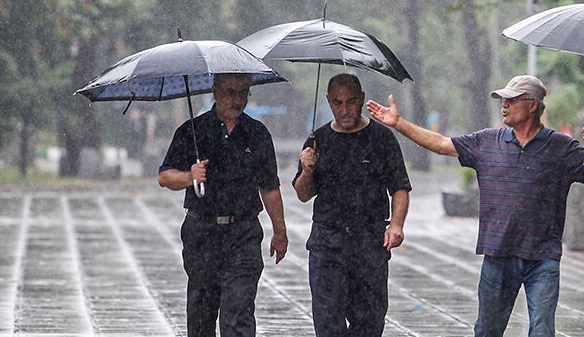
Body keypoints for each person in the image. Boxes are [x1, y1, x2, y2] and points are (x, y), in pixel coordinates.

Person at [366, 74, 584, 337]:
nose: (503, 105)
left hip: (543, 256)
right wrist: (399, 123)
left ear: (532, 105)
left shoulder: (561, 147)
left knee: (542, 329)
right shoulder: (487, 141)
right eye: (502, 100)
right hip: (499, 253)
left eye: (511, 100)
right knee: (487, 330)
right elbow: (440, 145)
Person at [157, 73, 289, 337]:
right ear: (215, 92)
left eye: (243, 93)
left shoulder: (257, 134)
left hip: (243, 233)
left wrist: (280, 231)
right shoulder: (192, 131)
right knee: (201, 313)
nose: (237, 100)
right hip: (202, 233)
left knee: (238, 313)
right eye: (230, 92)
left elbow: (270, 187)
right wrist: (188, 176)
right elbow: (164, 177)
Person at [292, 73, 411, 337]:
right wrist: (307, 170)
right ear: (328, 102)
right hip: (327, 241)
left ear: (361, 100)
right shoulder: (317, 139)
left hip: (369, 240)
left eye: (350, 102)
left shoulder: (381, 139)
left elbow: (400, 188)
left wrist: (396, 225)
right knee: (327, 320)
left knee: (369, 321)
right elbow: (302, 194)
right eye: (337, 103)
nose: (344, 110)